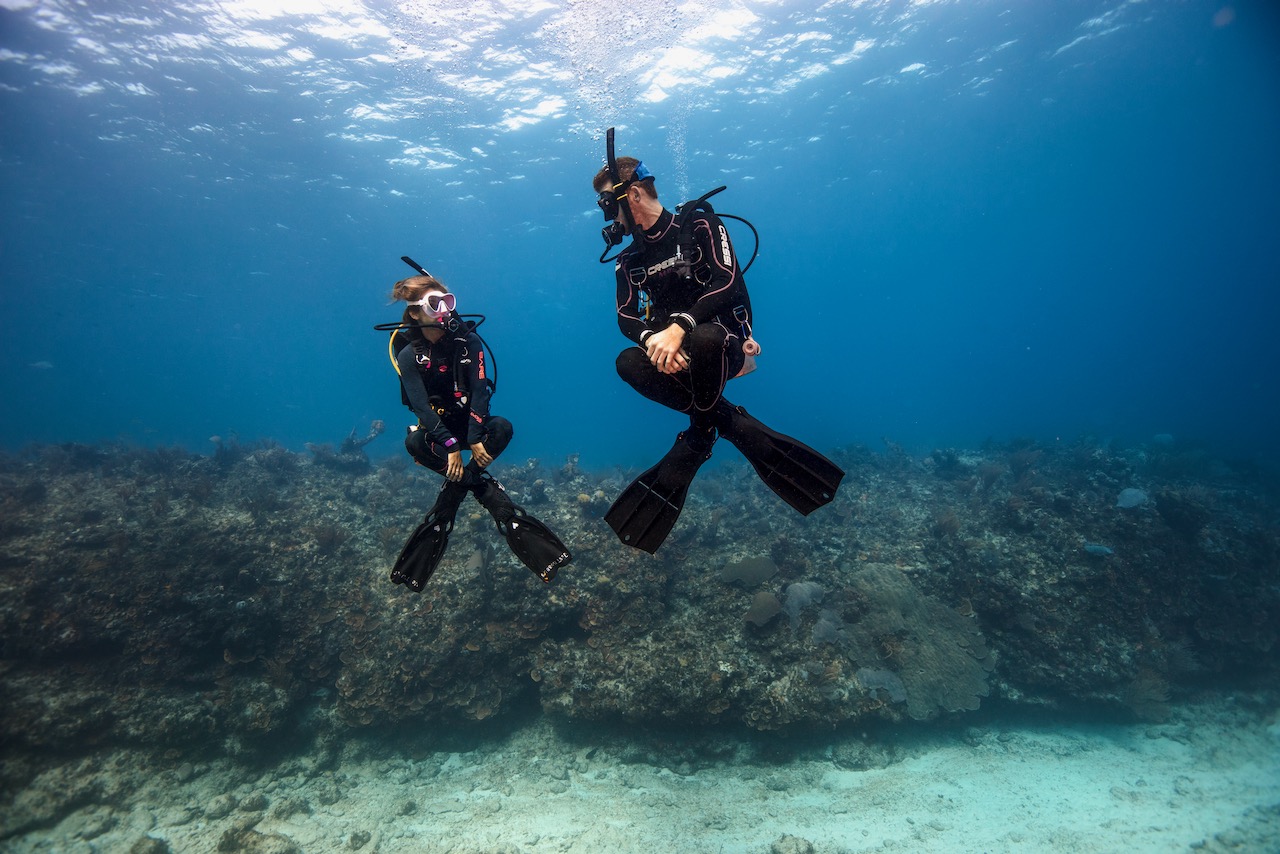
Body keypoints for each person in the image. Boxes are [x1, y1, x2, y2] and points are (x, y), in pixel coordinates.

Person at [592, 134, 845, 553]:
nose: (604, 214)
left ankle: (697, 436)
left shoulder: (701, 225)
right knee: (626, 362)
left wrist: (680, 327)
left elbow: (728, 282)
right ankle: (722, 424)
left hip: (721, 345)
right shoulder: (629, 260)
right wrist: (654, 339)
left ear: (632, 193)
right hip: (675, 358)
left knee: (706, 336)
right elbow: (625, 318)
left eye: (605, 202)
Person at [384, 273, 571, 589]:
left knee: (502, 428)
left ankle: (454, 492)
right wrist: (450, 444)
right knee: (414, 442)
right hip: (439, 429)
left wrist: (471, 436)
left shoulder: (467, 341)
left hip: (471, 424)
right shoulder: (407, 355)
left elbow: (481, 391)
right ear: (415, 311)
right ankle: (483, 490)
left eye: (448, 302)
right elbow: (420, 407)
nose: (443, 310)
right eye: (434, 304)